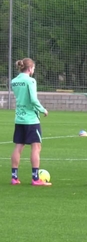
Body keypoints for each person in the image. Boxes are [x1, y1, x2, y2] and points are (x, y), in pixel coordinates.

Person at [10, 58, 50, 186]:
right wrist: (43, 109)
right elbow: (33, 99)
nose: (33, 71)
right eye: (33, 68)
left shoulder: (14, 81)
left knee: (18, 146)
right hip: (31, 119)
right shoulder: (30, 81)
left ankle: (14, 177)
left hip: (19, 118)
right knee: (36, 146)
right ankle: (35, 178)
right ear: (30, 68)